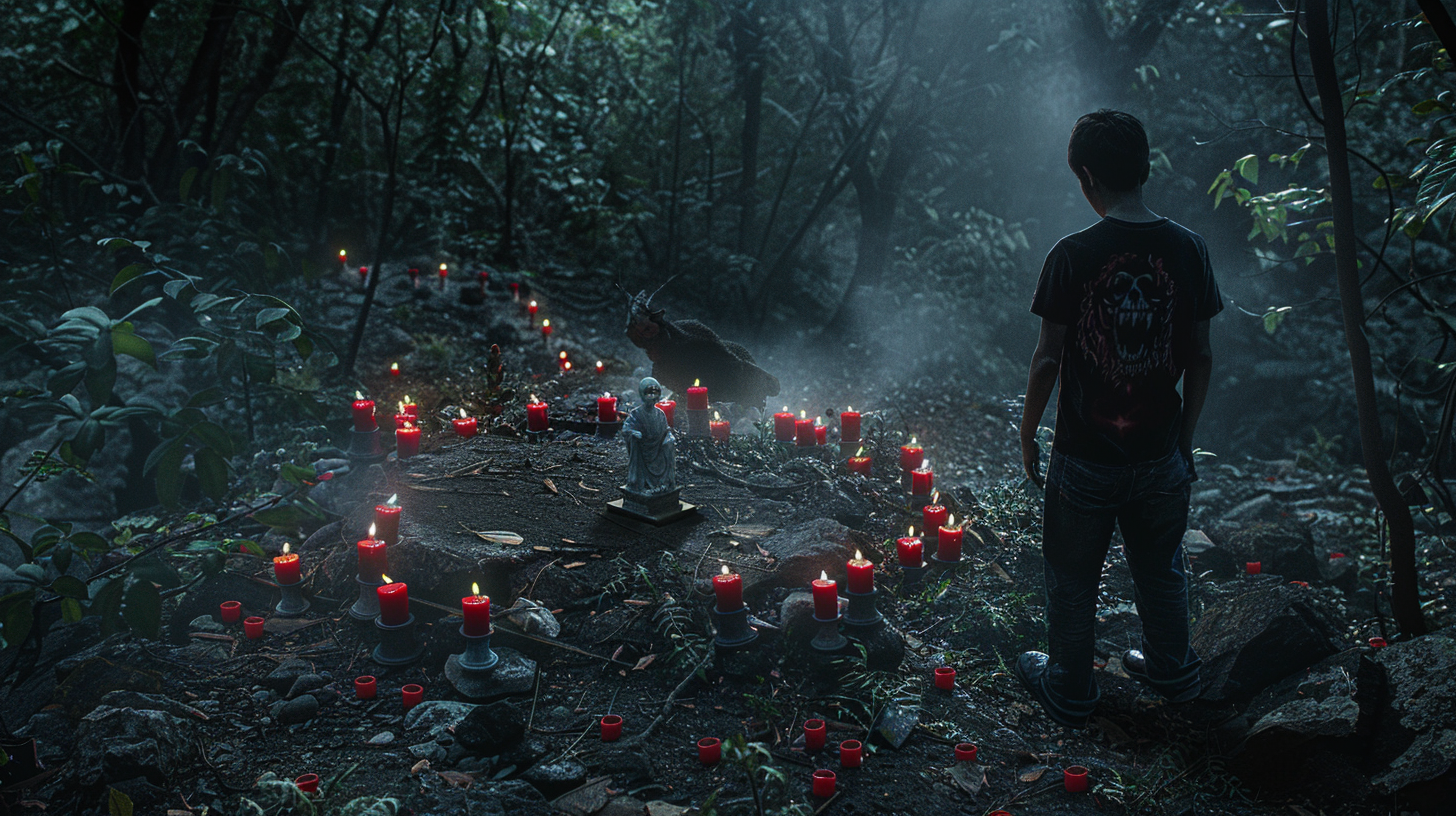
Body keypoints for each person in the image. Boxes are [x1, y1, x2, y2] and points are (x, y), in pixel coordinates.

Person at [1014, 109, 1222, 728]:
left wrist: (1028, 432)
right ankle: (1171, 670)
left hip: (1084, 458)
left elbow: (1048, 358)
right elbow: (1201, 355)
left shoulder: (1072, 255)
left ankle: (1072, 687)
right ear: (1144, 169)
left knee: (1071, 576)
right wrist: (1184, 440)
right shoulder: (1189, 249)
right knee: (1161, 568)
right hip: (1160, 455)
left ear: (1086, 176)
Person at [622, 377, 677, 495]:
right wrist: (633, 433)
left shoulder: (660, 414)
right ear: (642, 394)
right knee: (635, 442)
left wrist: (669, 438)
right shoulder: (636, 414)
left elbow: (665, 430)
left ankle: (665, 483)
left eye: (655, 393)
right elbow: (627, 428)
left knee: (669, 445)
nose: (651, 397)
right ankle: (639, 483)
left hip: (658, 450)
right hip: (642, 450)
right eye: (648, 393)